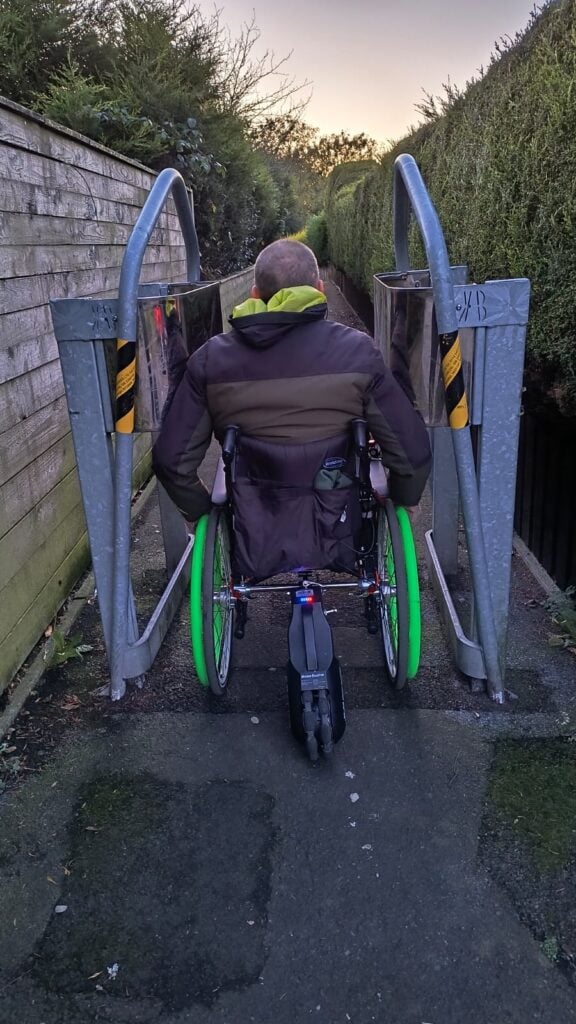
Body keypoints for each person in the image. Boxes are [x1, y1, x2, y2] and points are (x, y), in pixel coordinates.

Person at [152, 239, 431, 580]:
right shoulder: (359, 353)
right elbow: (412, 452)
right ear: (320, 289)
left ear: (254, 294)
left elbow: (171, 460)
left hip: (254, 514)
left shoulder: (210, 361)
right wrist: (404, 498)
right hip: (338, 508)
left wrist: (201, 512)